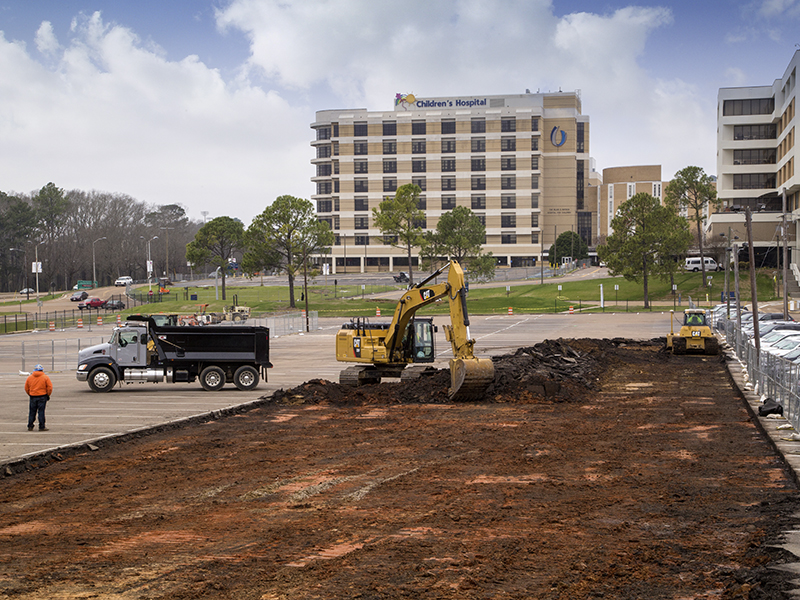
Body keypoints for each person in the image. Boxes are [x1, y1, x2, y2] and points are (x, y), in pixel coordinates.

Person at [25, 364, 53, 431]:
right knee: (41, 412)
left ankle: (30, 426)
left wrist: (30, 393)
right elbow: (49, 387)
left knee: (32, 412)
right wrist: (48, 395)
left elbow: (26, 387)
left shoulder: (30, 377)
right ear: (42, 370)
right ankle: (41, 426)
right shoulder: (45, 377)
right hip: (42, 396)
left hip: (33, 396)